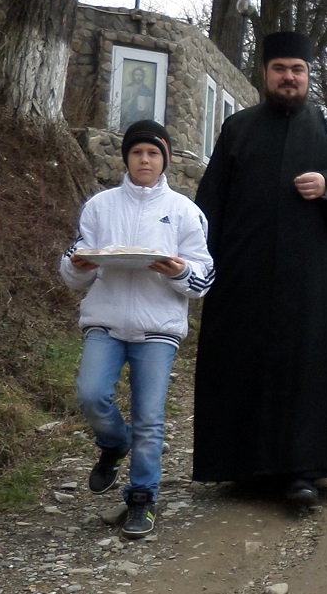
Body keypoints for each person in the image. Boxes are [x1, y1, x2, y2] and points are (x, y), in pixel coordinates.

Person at [192, 31, 327, 505]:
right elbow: (210, 202)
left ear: (308, 75)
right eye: (280, 69)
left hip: (315, 276)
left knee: (308, 367)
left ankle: (304, 470)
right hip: (245, 274)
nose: (289, 77)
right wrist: (201, 261)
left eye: (297, 69)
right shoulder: (238, 129)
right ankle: (242, 466)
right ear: (265, 73)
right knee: (243, 361)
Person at [60, 120, 214, 538]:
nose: (144, 160)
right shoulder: (100, 206)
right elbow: (74, 267)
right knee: (91, 394)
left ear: (165, 159)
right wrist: (77, 265)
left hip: (158, 327)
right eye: (137, 153)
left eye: (153, 153)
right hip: (105, 321)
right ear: (126, 158)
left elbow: (203, 276)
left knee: (149, 419)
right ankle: (114, 443)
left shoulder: (185, 211)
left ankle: (142, 498)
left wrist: (178, 270)